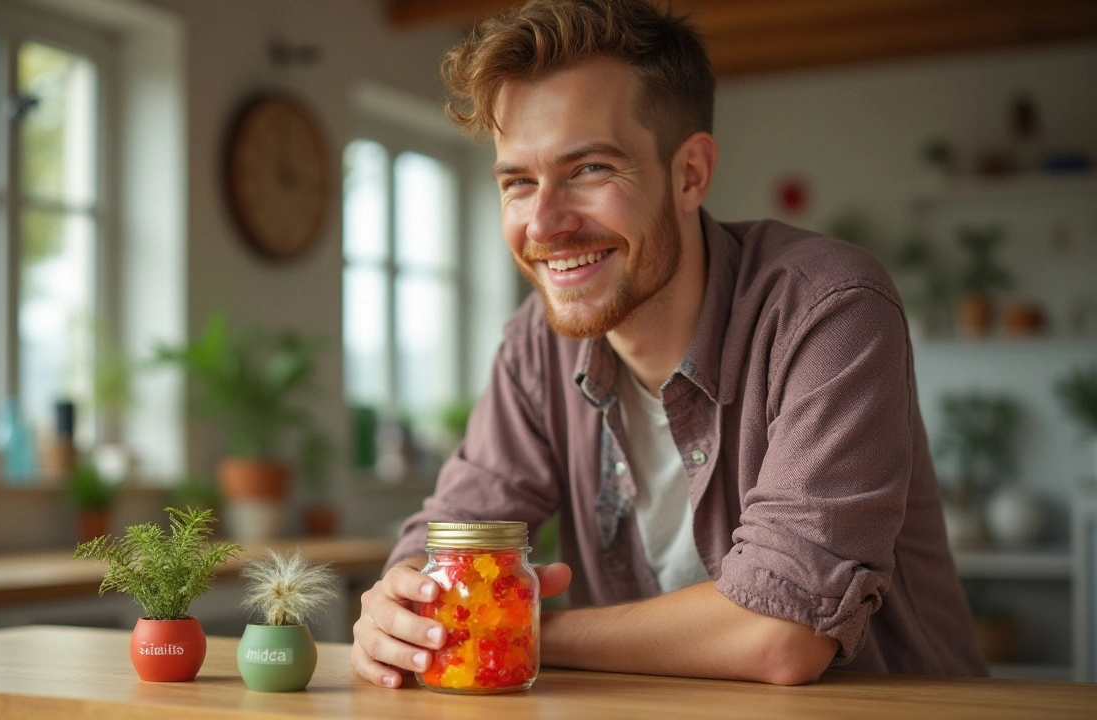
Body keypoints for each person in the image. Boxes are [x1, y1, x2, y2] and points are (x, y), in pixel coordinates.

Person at [351, 0, 986, 687]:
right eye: (518, 182)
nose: (544, 223)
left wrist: (517, 624)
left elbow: (782, 635)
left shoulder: (830, 310)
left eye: (589, 169)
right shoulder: (539, 344)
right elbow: (451, 536)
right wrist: (402, 602)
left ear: (690, 173)